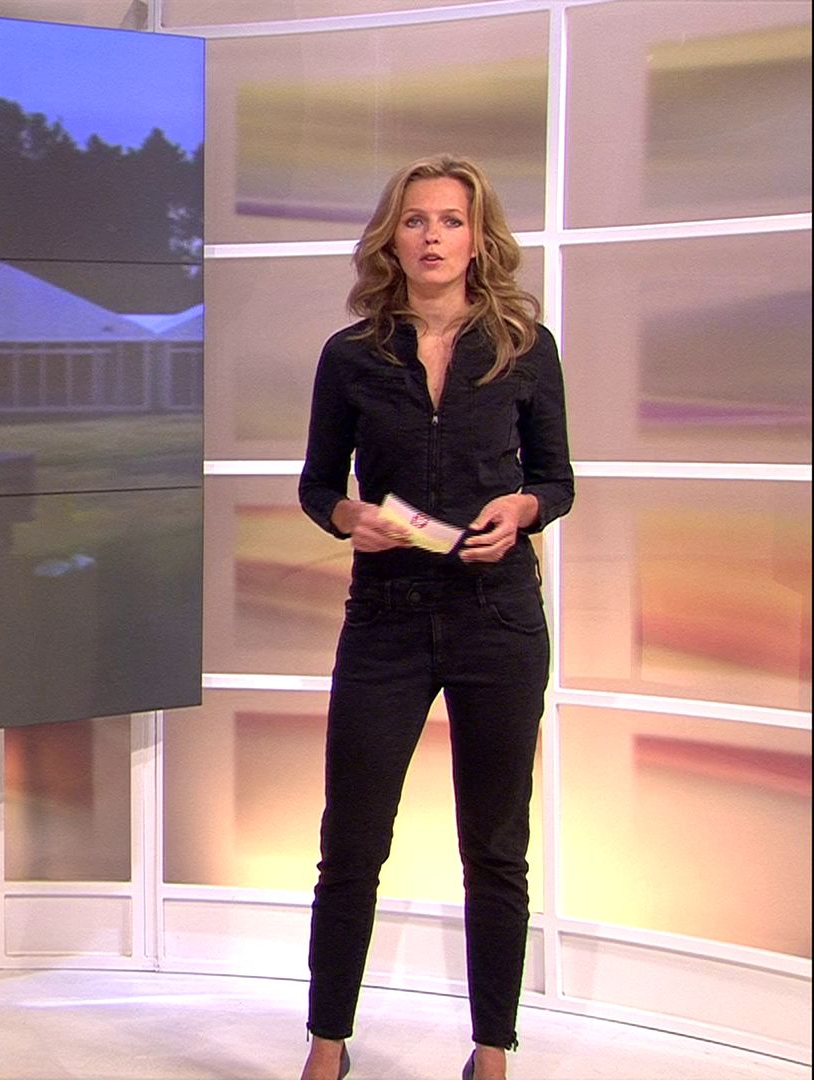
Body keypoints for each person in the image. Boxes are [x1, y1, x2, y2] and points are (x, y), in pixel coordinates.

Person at [295, 154, 573, 1080]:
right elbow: (317, 486)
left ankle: (492, 1052)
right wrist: (352, 518)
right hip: (387, 615)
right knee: (352, 840)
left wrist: (522, 509)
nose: (432, 237)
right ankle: (326, 1045)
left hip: (499, 616)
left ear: (479, 238)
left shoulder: (526, 346)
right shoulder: (351, 355)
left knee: (495, 846)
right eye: (416, 220)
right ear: (393, 237)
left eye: (451, 220)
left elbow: (557, 479)